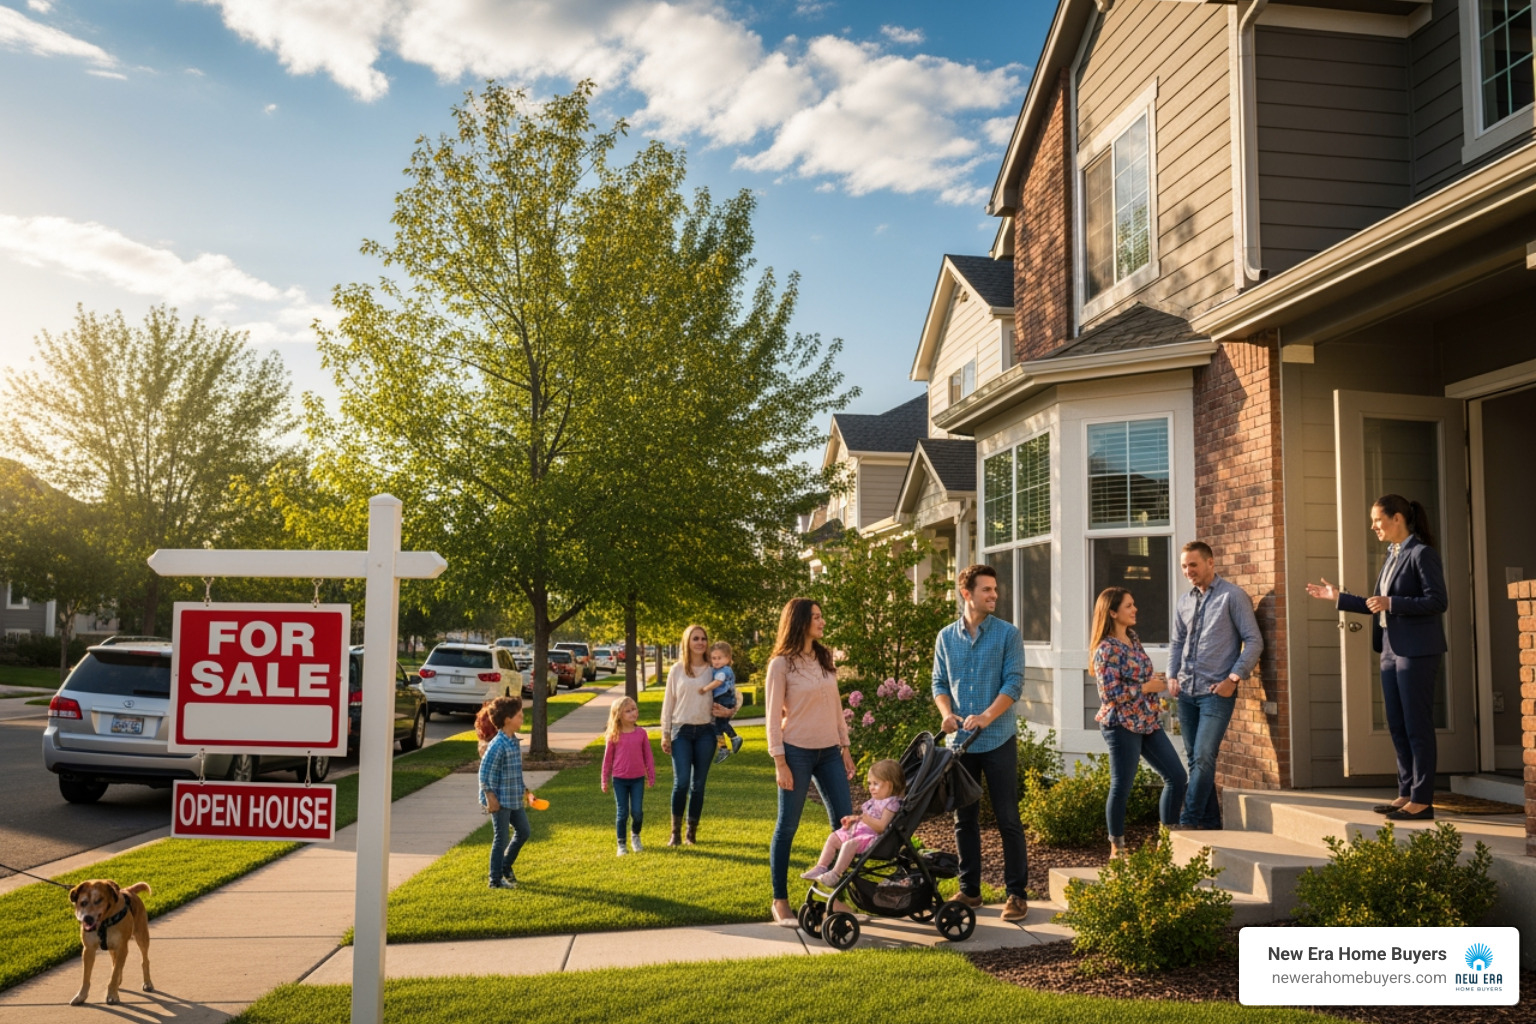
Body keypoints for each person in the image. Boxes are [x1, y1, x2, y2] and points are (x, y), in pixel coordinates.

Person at [1306, 494, 1446, 820]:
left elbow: (1437, 601)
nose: (1373, 526)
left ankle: (1422, 800)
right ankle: (1406, 792)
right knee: (1396, 724)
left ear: (1397, 518)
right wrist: (1338, 597)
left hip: (1417, 652)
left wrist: (1392, 603)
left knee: (1417, 725)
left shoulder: (1421, 554)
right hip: (1390, 650)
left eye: (1377, 520)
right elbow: (1376, 603)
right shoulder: (1392, 555)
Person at [932, 563, 1031, 924]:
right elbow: (939, 683)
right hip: (961, 744)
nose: (994, 595)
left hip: (998, 739)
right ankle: (970, 890)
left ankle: (1016, 894)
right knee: (964, 820)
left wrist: (987, 716)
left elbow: (1013, 683)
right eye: (986, 589)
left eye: (995, 589)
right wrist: (946, 713)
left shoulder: (1008, 634)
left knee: (1008, 818)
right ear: (967, 593)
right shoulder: (946, 637)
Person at [766, 597, 855, 927]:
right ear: (800, 621)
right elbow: (772, 717)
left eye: (821, 616)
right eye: (816, 617)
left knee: (845, 826)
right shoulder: (780, 665)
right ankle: (780, 900)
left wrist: (845, 746)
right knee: (787, 826)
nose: (822, 622)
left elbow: (836, 706)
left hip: (829, 752)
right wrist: (780, 760)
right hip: (796, 753)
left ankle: (835, 897)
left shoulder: (823, 657)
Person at [1167, 541, 1262, 830]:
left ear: (1210, 562)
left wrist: (1233, 679)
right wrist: (1172, 675)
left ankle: (1188, 820)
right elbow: (1177, 642)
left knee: (1204, 756)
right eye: (1184, 566)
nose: (1188, 571)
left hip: (1215, 693)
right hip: (1186, 692)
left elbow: (1254, 641)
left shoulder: (1232, 596)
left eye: (1193, 565)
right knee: (1196, 760)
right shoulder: (1184, 601)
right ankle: (1209, 822)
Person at [1091, 587, 1188, 858]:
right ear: (1112, 612)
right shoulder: (1106, 649)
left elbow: (1139, 675)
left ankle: (1165, 843)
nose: (1135, 609)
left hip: (1147, 720)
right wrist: (1145, 688)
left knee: (1177, 777)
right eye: (1128, 606)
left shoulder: (1133, 639)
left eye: (1133, 604)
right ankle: (1117, 848)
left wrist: (1156, 682)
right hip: (1121, 724)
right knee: (1122, 786)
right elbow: (1109, 694)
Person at [659, 624, 737, 846]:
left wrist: (729, 711)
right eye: (695, 638)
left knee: (698, 785)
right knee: (681, 782)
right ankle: (675, 833)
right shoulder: (677, 670)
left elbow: (735, 695)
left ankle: (690, 834)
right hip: (681, 731)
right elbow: (668, 703)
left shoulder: (715, 669)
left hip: (706, 732)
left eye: (703, 638)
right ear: (687, 642)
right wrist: (665, 733)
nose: (700, 642)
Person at [799, 758, 905, 887]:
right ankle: (821, 867)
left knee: (849, 845)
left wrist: (865, 819)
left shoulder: (891, 803)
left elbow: (881, 826)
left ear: (889, 785)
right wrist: (854, 819)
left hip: (873, 839)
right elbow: (865, 817)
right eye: (869, 783)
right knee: (833, 837)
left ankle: (835, 875)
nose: (871, 788)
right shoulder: (876, 800)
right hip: (860, 832)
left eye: (875, 784)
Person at [478, 695, 538, 889]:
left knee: (524, 831)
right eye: (519, 715)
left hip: (513, 797)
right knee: (501, 838)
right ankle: (495, 880)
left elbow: (515, 773)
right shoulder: (498, 745)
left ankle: (505, 865)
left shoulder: (514, 741)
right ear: (507, 720)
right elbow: (483, 773)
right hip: (499, 800)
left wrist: (526, 792)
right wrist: (489, 797)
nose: (522, 718)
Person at [600, 696, 655, 856]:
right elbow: (607, 760)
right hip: (619, 780)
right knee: (622, 812)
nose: (633, 713)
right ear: (619, 715)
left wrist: (651, 775)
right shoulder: (614, 735)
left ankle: (635, 836)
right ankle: (621, 844)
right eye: (628, 711)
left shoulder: (641, 733)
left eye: (634, 709)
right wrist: (604, 780)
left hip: (638, 779)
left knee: (637, 812)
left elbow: (648, 756)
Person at [700, 641, 743, 763]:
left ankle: (733, 738)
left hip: (725, 699)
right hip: (722, 699)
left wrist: (705, 689)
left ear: (728, 658)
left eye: (719, 658)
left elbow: (718, 682)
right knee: (717, 725)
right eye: (713, 658)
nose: (716, 661)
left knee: (720, 724)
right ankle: (723, 747)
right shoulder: (715, 669)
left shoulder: (725, 670)